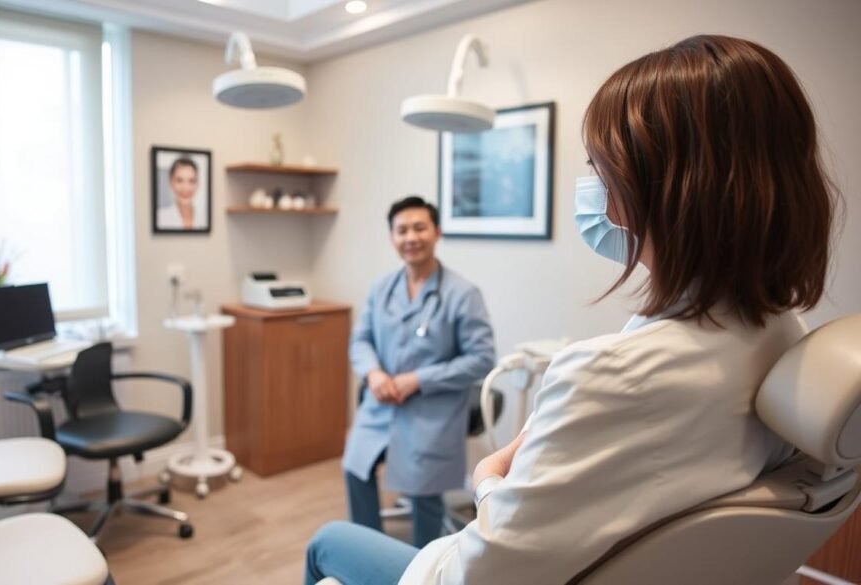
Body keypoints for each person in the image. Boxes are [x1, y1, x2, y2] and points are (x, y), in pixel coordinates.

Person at [305, 34, 837, 585]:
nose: (597, 195)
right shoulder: (784, 335)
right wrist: (376, 373)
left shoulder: (605, 375)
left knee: (328, 543)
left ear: (664, 190)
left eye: (602, 170)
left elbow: (479, 573)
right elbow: (362, 337)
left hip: (461, 536)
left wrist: (489, 478)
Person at [341, 195, 496, 549]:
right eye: (402, 230)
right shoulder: (382, 288)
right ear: (392, 238)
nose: (411, 237)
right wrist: (374, 374)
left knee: (424, 494)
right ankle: (367, 550)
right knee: (355, 467)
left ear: (436, 232)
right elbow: (360, 340)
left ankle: (426, 566)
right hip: (381, 403)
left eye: (419, 228)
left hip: (432, 410)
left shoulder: (462, 293)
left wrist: (417, 380)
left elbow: (482, 357)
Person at [157, 157, 207, 230]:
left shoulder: (204, 218)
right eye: (179, 180)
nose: (185, 188)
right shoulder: (160, 217)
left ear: (198, 184)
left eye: (191, 181)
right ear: (171, 183)